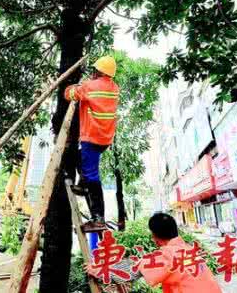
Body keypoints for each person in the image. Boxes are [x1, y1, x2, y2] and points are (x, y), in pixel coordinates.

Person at [86, 213, 222, 293]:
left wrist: (97, 270)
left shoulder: (167, 255)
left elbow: (132, 271)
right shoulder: (187, 249)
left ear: (156, 236)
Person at [64, 55, 120, 232]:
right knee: (81, 159)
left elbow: (69, 94)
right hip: (105, 138)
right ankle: (82, 184)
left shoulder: (89, 86)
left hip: (91, 138)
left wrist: (75, 86)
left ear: (98, 71)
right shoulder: (114, 88)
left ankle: (98, 219)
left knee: (93, 176)